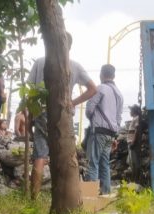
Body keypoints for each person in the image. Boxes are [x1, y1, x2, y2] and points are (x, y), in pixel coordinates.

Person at [28, 32, 97, 199]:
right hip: (63, 114)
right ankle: (66, 197)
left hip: (41, 112)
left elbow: (30, 93)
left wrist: (29, 116)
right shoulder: (74, 65)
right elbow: (93, 89)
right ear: (69, 47)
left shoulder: (39, 62)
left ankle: (33, 199)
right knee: (65, 155)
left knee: (40, 156)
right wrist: (72, 102)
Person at [85, 64, 123, 195]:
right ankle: (106, 194)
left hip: (99, 131)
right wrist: (115, 137)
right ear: (113, 76)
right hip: (111, 134)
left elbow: (89, 109)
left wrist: (92, 119)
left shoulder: (100, 88)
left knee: (92, 163)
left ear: (101, 74)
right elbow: (118, 118)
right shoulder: (119, 94)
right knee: (104, 164)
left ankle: (90, 196)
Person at [126, 104, 142, 182]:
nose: (130, 112)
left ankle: (136, 180)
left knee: (134, 162)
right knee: (132, 162)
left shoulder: (137, 118)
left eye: (131, 110)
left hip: (132, 143)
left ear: (134, 111)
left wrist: (133, 142)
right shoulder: (134, 119)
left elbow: (136, 131)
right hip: (130, 143)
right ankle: (134, 179)